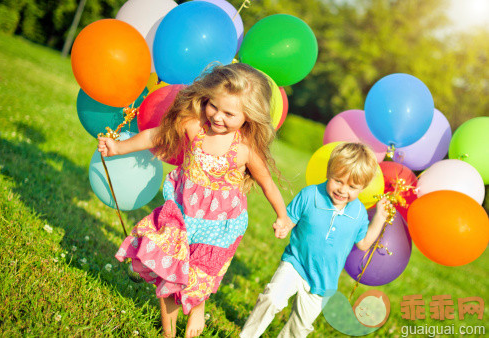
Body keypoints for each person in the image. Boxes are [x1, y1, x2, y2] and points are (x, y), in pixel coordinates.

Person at [98, 63, 291, 338]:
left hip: (219, 228)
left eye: (229, 113)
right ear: (205, 99)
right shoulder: (193, 126)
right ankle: (169, 333)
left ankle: (198, 304)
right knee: (169, 271)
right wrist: (118, 147)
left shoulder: (245, 151)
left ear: (248, 116)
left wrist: (282, 216)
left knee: (198, 280)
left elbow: (267, 183)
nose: (218, 117)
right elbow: (156, 136)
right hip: (181, 215)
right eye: (214, 106)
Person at [240, 142, 390, 338]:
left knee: (300, 327)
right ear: (329, 172)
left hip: (324, 281)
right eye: (338, 181)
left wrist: (379, 218)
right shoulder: (310, 195)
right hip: (296, 264)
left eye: (352, 186)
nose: (343, 190)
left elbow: (362, 243)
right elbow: (289, 219)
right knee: (272, 298)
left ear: (363, 187)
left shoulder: (359, 213)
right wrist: (283, 225)